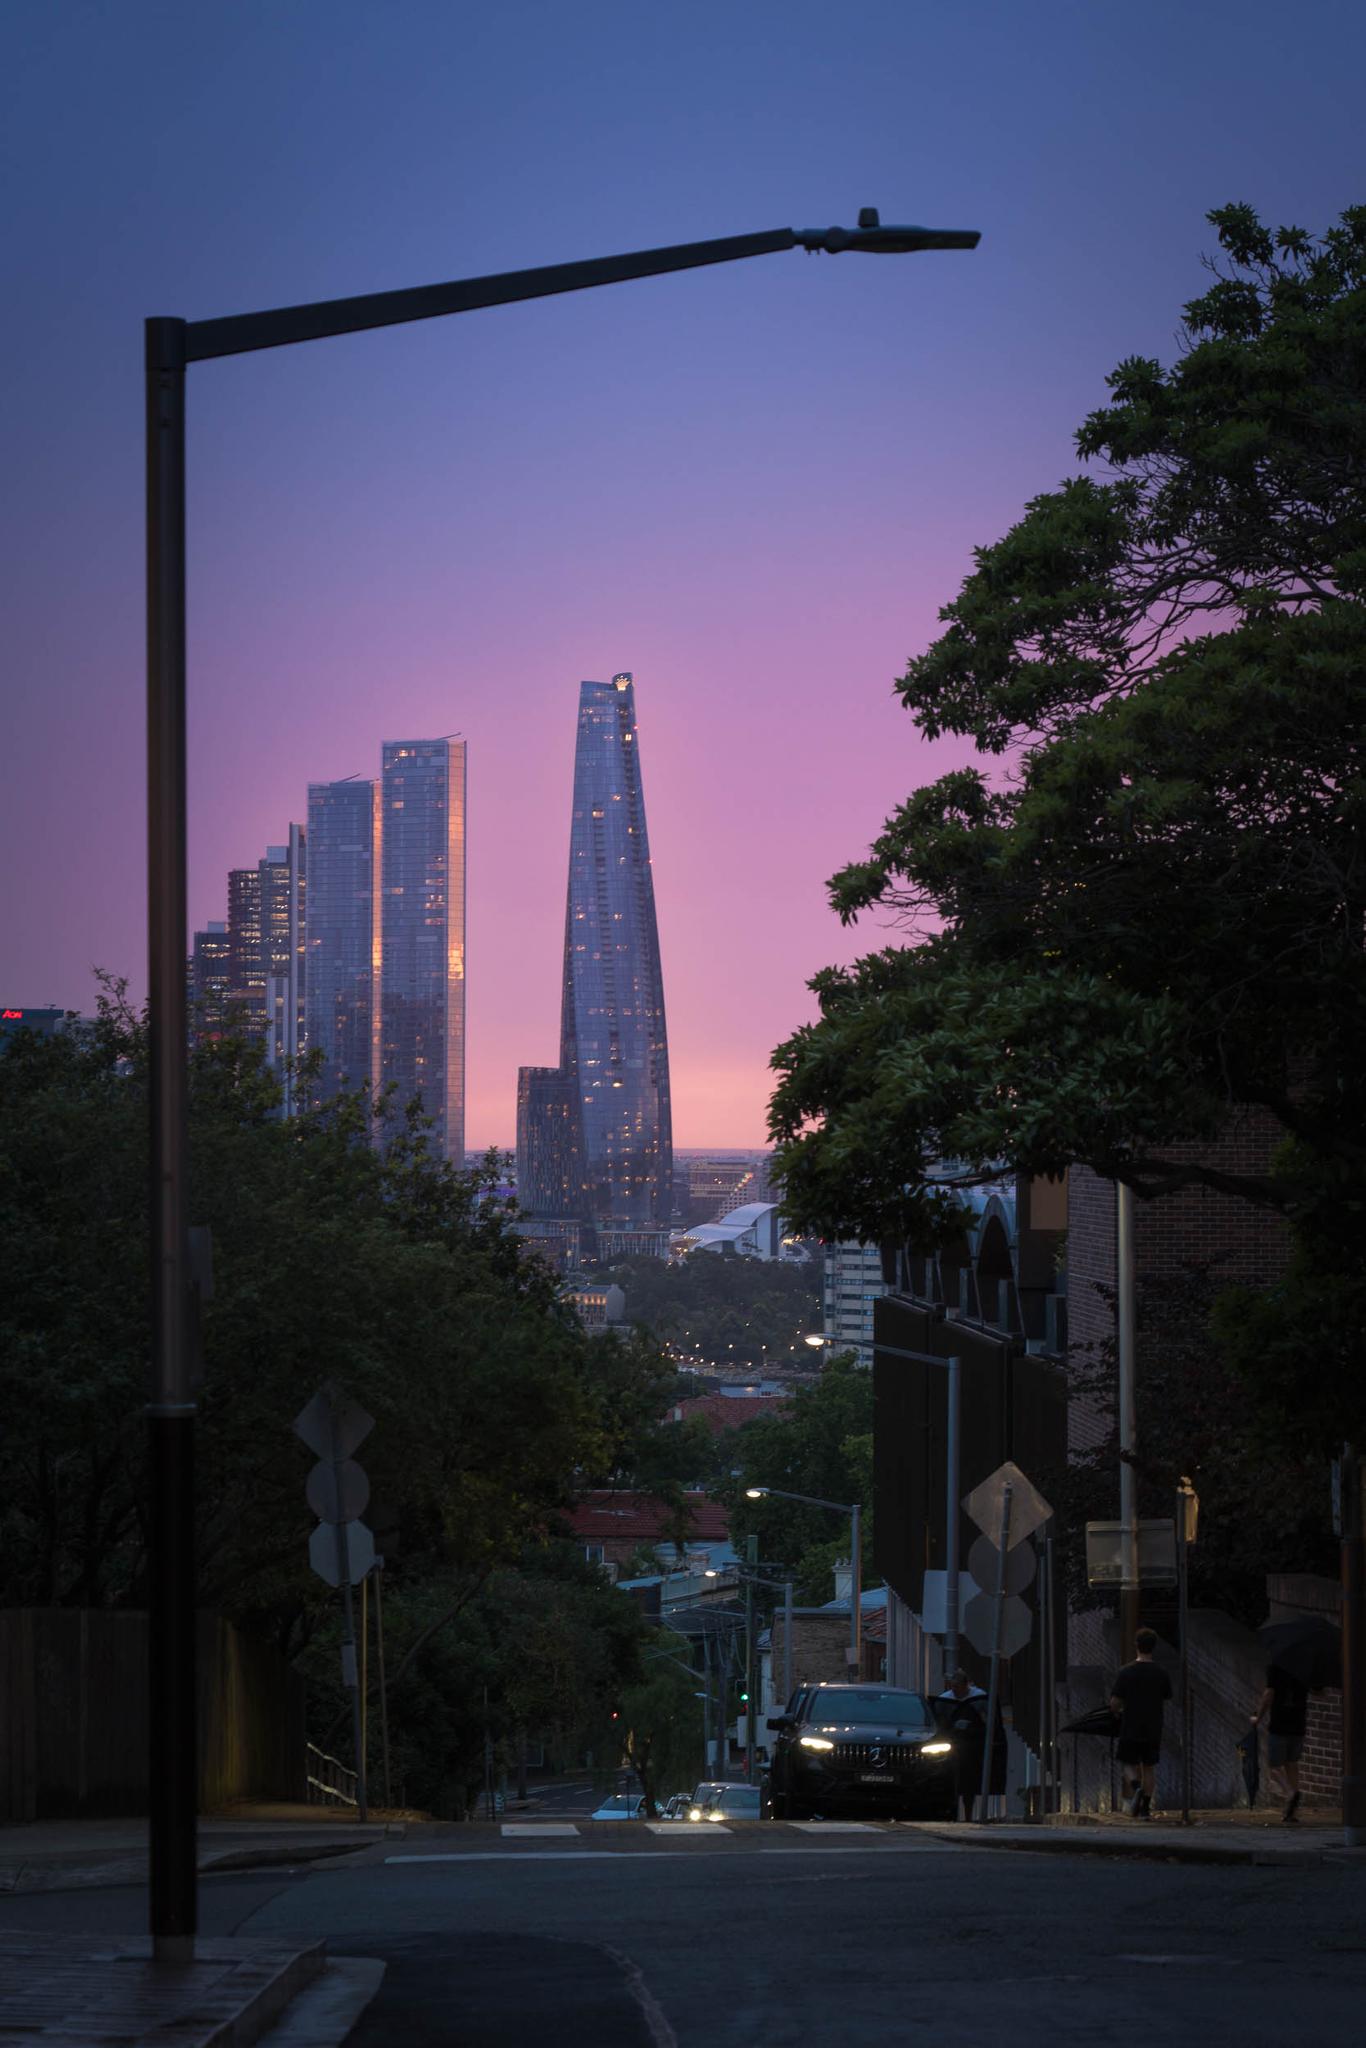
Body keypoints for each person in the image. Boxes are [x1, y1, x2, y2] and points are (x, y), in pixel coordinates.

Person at [1109, 1627, 1172, 1818]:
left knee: (1127, 1762)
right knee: (1149, 1767)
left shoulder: (1126, 1672)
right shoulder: (1161, 1672)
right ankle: (1145, 1808)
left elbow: (1115, 1702)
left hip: (1131, 1724)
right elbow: (1167, 1696)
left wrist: (1116, 1712)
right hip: (1153, 1726)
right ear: (1153, 1647)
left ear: (1136, 1645)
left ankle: (1136, 1786)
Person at [936, 1669, 1005, 1820]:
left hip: (974, 1744)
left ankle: (968, 1814)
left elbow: (991, 1719)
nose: (955, 1690)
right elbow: (939, 1721)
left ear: (966, 1685)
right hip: (953, 1742)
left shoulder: (979, 1697)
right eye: (953, 1687)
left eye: (958, 1687)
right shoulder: (945, 1699)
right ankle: (951, 1813)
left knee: (970, 1781)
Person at [1251, 1663, 1308, 1822]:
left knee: (1275, 1767)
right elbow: (1319, 1692)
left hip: (1279, 1725)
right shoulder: (1305, 1668)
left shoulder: (1277, 1667)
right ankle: (1292, 1812)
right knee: (1292, 1764)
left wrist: (1258, 1718)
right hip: (1298, 1725)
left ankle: (1290, 1793)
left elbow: (1269, 1695)